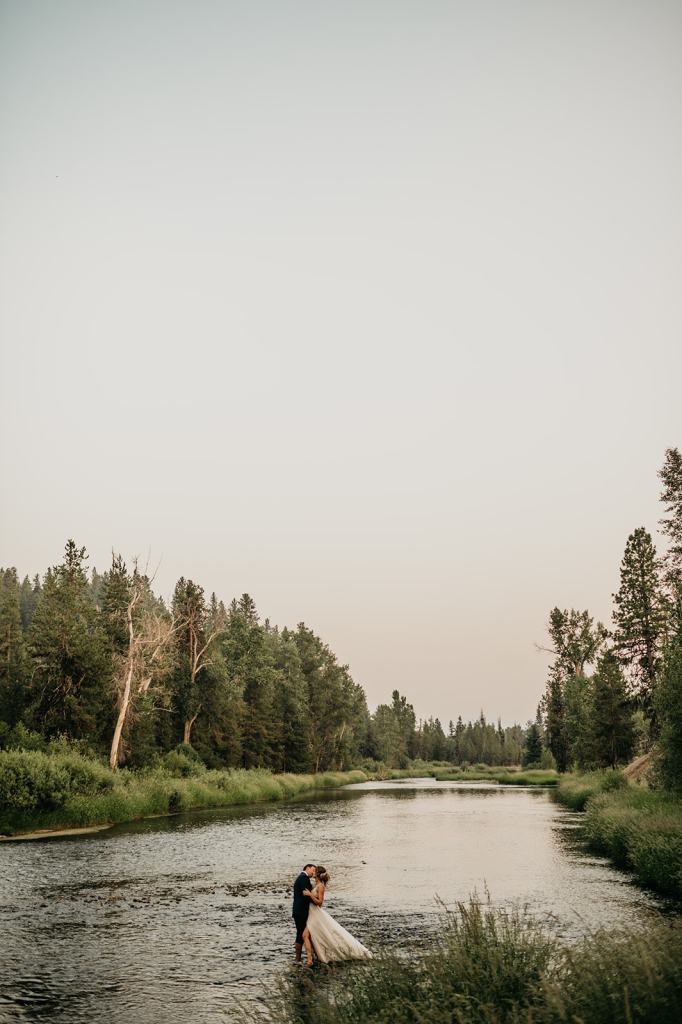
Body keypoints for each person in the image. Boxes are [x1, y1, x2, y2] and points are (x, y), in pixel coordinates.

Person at [301, 865, 373, 965]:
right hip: (312, 914)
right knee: (315, 936)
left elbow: (320, 903)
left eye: (314, 871)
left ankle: (310, 960)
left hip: (316, 915)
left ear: (317, 874)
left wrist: (310, 895)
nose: (312, 872)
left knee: (306, 935)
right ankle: (316, 956)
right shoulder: (315, 884)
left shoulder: (320, 886)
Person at [292, 863, 316, 963]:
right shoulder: (303, 878)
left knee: (302, 933)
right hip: (301, 911)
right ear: (307, 868)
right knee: (301, 933)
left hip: (299, 910)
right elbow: (305, 895)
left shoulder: (302, 878)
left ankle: (302, 958)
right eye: (313, 870)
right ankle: (298, 959)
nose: (314, 872)